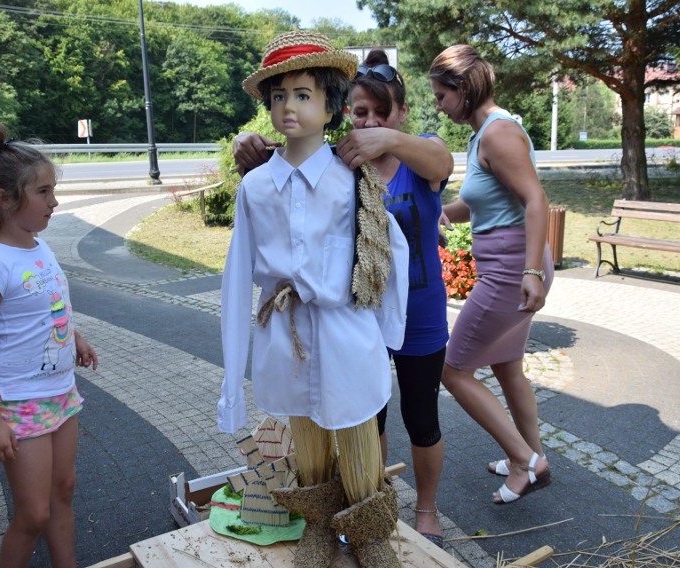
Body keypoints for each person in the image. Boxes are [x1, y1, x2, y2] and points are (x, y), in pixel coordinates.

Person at [233, 48, 454, 548]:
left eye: (383, 112)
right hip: (333, 324)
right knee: (342, 424)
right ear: (345, 112)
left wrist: (387, 139)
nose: (370, 121)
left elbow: (441, 163)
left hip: (407, 312)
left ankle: (409, 517)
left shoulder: (405, 163)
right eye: (362, 112)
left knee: (418, 416)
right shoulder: (318, 171)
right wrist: (260, 154)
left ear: (399, 115)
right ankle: (326, 524)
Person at [0, 120, 98, 567]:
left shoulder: (39, 247)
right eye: (43, 192)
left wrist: (73, 337)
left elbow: (46, 306)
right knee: (33, 514)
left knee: (64, 493)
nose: (54, 202)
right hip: (19, 402)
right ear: (6, 199)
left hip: (61, 394)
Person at [429, 44, 554, 504]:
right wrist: (438, 214)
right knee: (506, 368)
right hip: (510, 265)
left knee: (454, 370)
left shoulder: (499, 133)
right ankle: (534, 454)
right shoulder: (483, 133)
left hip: (510, 269)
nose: (439, 105)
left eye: (441, 95)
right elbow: (477, 205)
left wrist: (530, 272)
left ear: (462, 88)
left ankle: (524, 461)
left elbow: (534, 200)